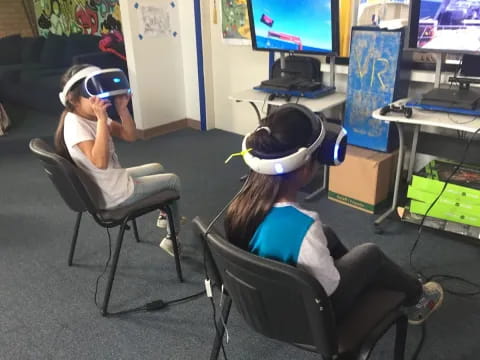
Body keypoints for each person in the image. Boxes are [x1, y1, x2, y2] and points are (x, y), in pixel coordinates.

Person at [224, 105, 443, 324]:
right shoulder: (304, 227)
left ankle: (367, 276)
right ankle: (418, 297)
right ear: (304, 169)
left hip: (267, 298)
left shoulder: (241, 206)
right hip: (315, 314)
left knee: (326, 235)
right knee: (370, 254)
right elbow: (329, 288)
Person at [54, 64, 181, 256]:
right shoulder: (76, 125)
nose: (100, 100)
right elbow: (100, 162)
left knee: (158, 167)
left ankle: (166, 213)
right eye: (92, 96)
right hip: (114, 193)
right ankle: (172, 238)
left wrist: (122, 110)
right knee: (173, 181)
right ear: (74, 100)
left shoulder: (89, 115)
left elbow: (130, 136)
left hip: (111, 181)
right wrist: (102, 119)